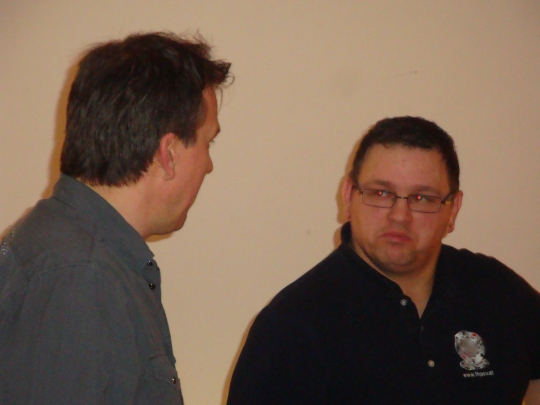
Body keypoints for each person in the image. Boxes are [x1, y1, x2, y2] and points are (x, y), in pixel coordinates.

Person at [227, 116, 540, 404]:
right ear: (348, 196)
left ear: (453, 210)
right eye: (380, 193)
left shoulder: (497, 291)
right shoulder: (292, 326)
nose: (400, 215)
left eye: (422, 198)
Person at [0, 32, 231, 405]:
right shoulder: (80, 277)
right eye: (208, 143)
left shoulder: (77, 256)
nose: (208, 165)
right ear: (169, 153)